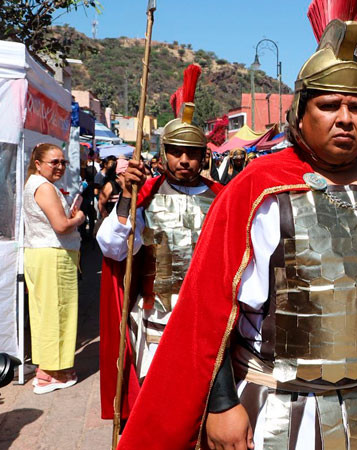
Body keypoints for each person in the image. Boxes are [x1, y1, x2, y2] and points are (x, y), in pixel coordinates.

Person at [117, 19, 357, 450]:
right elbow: (210, 310)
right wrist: (221, 404)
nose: (346, 119)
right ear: (300, 112)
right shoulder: (258, 190)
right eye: (330, 106)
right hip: (278, 403)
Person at [96, 64, 223, 422]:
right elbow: (113, 247)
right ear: (164, 151)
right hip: (154, 327)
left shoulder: (222, 199)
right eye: (177, 151)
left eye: (192, 152)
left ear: (204, 155)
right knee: (159, 419)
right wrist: (126, 198)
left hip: (205, 325)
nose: (184, 159)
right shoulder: (144, 195)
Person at [22, 143, 84, 394]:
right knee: (56, 314)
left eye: (63, 162)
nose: (59, 167)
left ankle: (53, 369)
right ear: (38, 163)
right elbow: (61, 225)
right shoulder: (44, 187)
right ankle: (50, 373)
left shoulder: (37, 184)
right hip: (52, 257)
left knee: (47, 314)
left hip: (45, 254)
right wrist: (78, 218)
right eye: (54, 162)